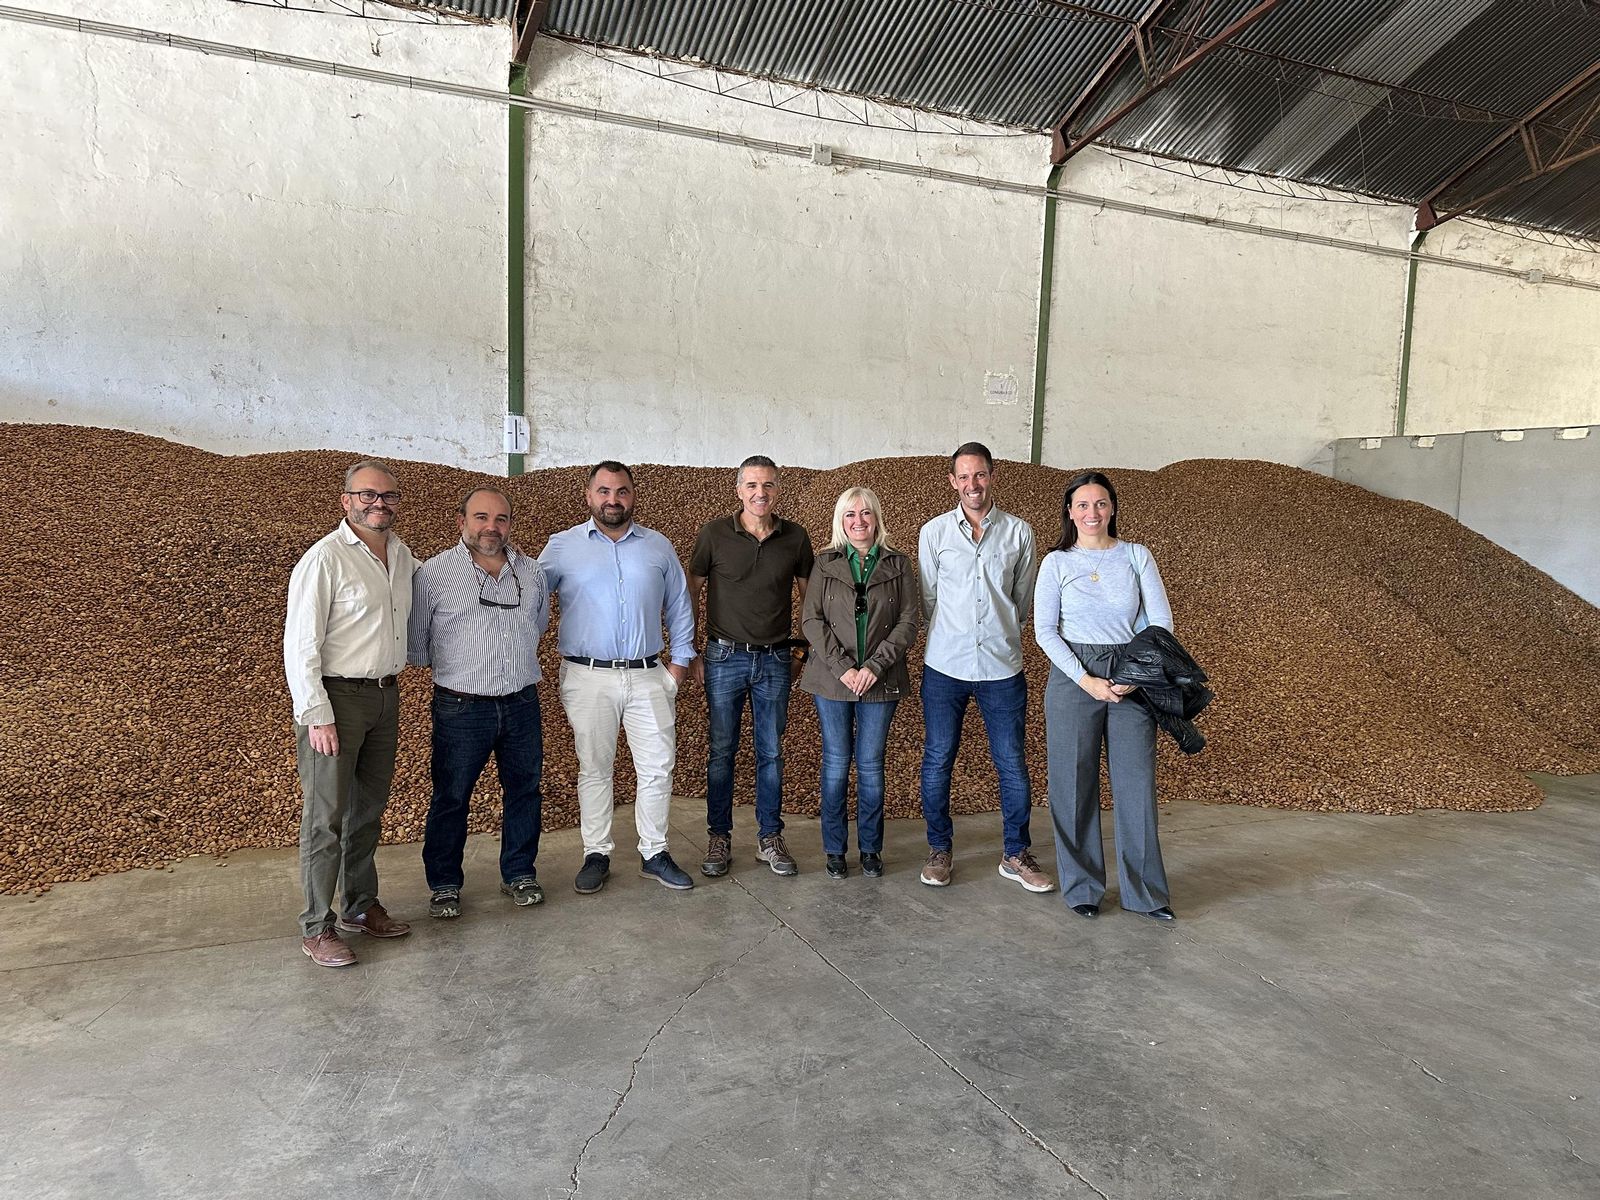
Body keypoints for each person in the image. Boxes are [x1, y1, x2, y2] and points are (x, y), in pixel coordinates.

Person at [538, 461, 698, 894]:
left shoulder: (658, 546)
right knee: (594, 768)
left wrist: (678, 666)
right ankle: (597, 853)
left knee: (657, 768)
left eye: (622, 491)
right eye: (604, 491)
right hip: (587, 676)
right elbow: (532, 602)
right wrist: (524, 653)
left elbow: (680, 606)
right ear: (588, 496)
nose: (613, 500)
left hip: (649, 675)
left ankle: (654, 852)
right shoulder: (561, 547)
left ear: (633, 495)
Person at [283, 460, 415, 968]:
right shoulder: (325, 559)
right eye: (367, 495)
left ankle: (361, 905)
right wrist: (316, 713)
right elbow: (301, 645)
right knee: (325, 818)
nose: (377, 503)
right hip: (336, 699)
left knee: (367, 812)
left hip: (385, 695)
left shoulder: (402, 556)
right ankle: (317, 926)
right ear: (346, 500)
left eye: (387, 496)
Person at [1033, 470, 1176, 921]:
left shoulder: (1136, 556)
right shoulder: (1056, 563)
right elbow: (1044, 631)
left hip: (1132, 675)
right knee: (1073, 785)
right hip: (1074, 676)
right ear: (1070, 512)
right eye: (1082, 505)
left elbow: (1160, 624)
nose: (1091, 512)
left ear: (1112, 507)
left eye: (1099, 503)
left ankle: (1146, 893)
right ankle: (1083, 888)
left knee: (1135, 783)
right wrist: (1085, 679)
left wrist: (1135, 674)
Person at [916, 442, 1054, 893]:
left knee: (1012, 763)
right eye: (964, 476)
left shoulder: (1020, 533)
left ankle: (1015, 853)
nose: (972, 485)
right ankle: (940, 850)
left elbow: (1021, 599)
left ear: (992, 476)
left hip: (1001, 667)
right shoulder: (933, 533)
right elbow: (929, 600)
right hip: (945, 666)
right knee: (938, 760)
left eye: (980, 475)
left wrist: (996, 629)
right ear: (952, 481)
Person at [408, 486, 551, 919]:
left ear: (510, 523)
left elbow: (538, 626)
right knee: (451, 796)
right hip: (461, 707)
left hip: (522, 702)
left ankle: (519, 872)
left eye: (501, 518)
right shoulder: (432, 575)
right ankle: (445, 884)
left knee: (524, 791)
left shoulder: (532, 574)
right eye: (481, 517)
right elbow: (418, 645)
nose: (492, 527)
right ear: (462, 521)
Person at [688, 455, 814, 877]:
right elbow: (691, 591)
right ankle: (719, 836)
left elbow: (809, 600)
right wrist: (692, 650)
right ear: (739, 490)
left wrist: (803, 652)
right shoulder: (714, 535)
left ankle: (769, 837)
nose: (761, 493)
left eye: (769, 485)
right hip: (723, 658)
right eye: (752, 485)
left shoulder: (796, 538)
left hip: (776, 659)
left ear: (779, 489)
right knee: (721, 751)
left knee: (771, 752)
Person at [799, 487, 919, 879]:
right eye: (850, 515)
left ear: (877, 518)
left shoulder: (899, 564)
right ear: (841, 521)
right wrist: (843, 668)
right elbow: (811, 620)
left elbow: (907, 623)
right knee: (835, 764)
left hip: (879, 682)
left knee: (870, 765)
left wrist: (875, 667)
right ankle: (834, 849)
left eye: (866, 514)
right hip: (833, 680)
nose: (859, 522)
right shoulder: (825, 562)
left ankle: (870, 848)